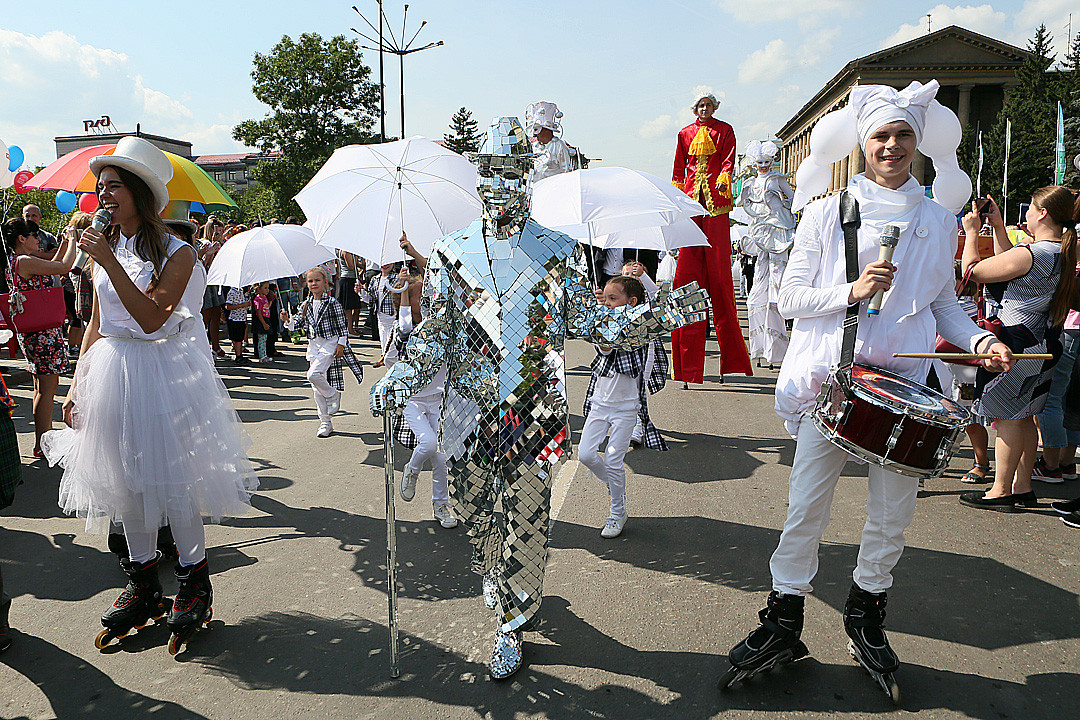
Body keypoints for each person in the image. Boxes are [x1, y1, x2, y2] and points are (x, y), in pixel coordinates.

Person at [371, 117, 706, 679]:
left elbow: (595, 323)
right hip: (469, 412)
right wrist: (401, 376)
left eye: (512, 172)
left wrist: (663, 314)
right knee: (479, 522)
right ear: (481, 177)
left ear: (525, 177)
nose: (502, 183)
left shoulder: (556, 250)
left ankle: (513, 620)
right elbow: (439, 333)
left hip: (535, 407)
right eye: (492, 172)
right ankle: (494, 575)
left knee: (526, 520)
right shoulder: (452, 251)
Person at [722, 81, 1013, 692]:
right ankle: (784, 615)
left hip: (903, 385)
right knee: (806, 507)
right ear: (864, 142)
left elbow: (944, 303)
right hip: (834, 381)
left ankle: (866, 612)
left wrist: (980, 342)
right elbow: (790, 298)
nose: (893, 146)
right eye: (881, 135)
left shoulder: (938, 218)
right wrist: (849, 293)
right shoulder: (828, 212)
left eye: (904, 135)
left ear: (917, 143)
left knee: (891, 517)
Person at [40, 136, 257, 654]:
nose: (103, 195)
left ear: (139, 192)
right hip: (112, 372)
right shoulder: (105, 249)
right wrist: (77, 386)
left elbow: (152, 317)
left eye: (113, 186)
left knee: (171, 479)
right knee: (124, 483)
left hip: (161, 372)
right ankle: (142, 581)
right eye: (101, 186)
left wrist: (108, 263)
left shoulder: (179, 253)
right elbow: (97, 322)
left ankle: (192, 579)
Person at [959, 188, 1079, 511]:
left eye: (1031, 207)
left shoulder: (1033, 253)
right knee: (1025, 416)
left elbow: (972, 273)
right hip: (1043, 342)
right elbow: (1010, 265)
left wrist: (972, 234)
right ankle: (1022, 486)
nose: (1026, 212)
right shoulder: (1059, 252)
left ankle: (1000, 491)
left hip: (1013, 341)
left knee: (1008, 417)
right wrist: (998, 227)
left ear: (1043, 214)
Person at [579, 275, 671, 538]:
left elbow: (630, 339)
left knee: (614, 458)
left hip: (626, 408)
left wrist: (608, 316)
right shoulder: (603, 323)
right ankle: (613, 484)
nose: (608, 303)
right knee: (585, 455)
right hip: (599, 404)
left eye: (613, 298)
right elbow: (605, 347)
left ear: (631, 302)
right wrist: (600, 313)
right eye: (605, 298)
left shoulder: (642, 332)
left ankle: (617, 512)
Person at [671, 92, 752, 386]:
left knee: (720, 279)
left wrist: (726, 175)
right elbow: (679, 168)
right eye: (700, 105)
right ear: (695, 108)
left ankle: (731, 361)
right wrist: (677, 196)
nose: (704, 109)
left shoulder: (725, 130)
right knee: (687, 280)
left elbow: (729, 158)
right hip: (692, 202)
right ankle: (686, 367)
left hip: (716, 204)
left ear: (714, 107)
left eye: (708, 105)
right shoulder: (684, 133)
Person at [394, 235, 458, 529]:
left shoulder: (443, 325)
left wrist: (413, 251)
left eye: (426, 296)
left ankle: (441, 506)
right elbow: (406, 320)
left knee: (443, 457)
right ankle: (411, 469)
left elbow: (436, 272)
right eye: (418, 297)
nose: (424, 301)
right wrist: (405, 289)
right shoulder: (405, 330)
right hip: (414, 401)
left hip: (440, 399)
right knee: (430, 444)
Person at [1, 218, 76, 456]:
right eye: (34, 235)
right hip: (42, 333)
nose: (38, 239)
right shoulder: (23, 261)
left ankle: (41, 441)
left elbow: (54, 263)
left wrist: (64, 243)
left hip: (33, 331)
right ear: (22, 239)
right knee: (48, 387)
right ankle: (44, 443)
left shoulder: (18, 262)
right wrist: (74, 240)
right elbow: (64, 267)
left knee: (41, 387)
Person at [736, 140, 795, 368]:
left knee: (777, 288)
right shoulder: (750, 182)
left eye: (766, 162)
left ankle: (777, 348)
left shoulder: (778, 180)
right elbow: (741, 202)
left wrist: (786, 208)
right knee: (757, 291)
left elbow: (792, 198)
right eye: (759, 163)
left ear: (772, 162)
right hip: (760, 229)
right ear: (754, 163)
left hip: (778, 226)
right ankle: (760, 346)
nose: (762, 166)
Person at [295, 266, 364, 438]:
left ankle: (333, 394)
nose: (314, 284)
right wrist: (287, 320)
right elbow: (298, 324)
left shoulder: (333, 303)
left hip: (329, 345)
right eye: (310, 281)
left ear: (325, 282)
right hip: (314, 346)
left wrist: (340, 345)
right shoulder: (306, 304)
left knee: (313, 375)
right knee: (316, 388)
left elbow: (342, 327)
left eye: (317, 280)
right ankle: (325, 422)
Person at [335, 250, 363, 335]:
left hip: (351, 278)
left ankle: (352, 327)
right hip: (347, 279)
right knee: (348, 307)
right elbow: (351, 266)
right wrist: (357, 257)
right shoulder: (346, 252)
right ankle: (349, 329)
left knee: (355, 305)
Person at [224, 286, 251, 363]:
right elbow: (228, 306)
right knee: (237, 339)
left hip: (242, 318)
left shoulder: (242, 291)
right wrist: (242, 305)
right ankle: (238, 356)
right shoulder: (232, 292)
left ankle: (240, 354)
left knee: (240, 338)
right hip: (235, 318)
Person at [251, 281, 272, 363]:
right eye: (265, 288)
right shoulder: (258, 299)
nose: (267, 290)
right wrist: (263, 323)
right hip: (261, 320)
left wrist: (270, 303)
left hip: (266, 318)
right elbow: (259, 312)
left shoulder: (264, 297)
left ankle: (264, 354)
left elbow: (266, 308)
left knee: (264, 338)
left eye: (268, 288)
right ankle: (262, 356)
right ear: (259, 289)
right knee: (262, 339)